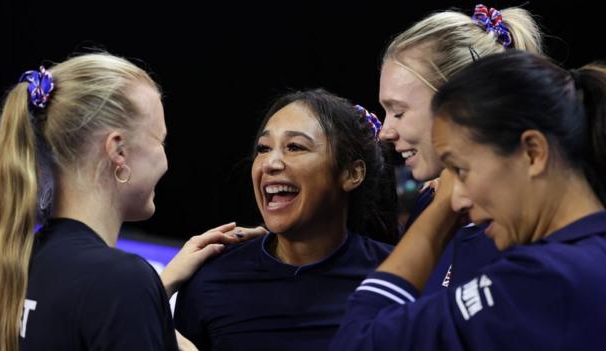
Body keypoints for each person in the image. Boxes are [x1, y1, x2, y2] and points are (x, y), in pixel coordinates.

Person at [0, 52, 264, 351]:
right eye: (160, 141)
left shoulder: (12, 265)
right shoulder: (121, 282)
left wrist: (154, 291)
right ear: (118, 151)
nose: (166, 162)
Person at [330, 49, 606, 350]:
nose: (456, 198)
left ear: (533, 153)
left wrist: (438, 215)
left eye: (460, 170)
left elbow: (358, 342)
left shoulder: (544, 279)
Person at [174, 88, 398, 351]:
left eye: (294, 147)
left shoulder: (398, 277)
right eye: (263, 148)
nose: (270, 163)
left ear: (352, 174)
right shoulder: (210, 279)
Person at [377, 4, 544, 292]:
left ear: (462, 104)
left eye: (399, 112)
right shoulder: (428, 204)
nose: (384, 133)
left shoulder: (532, 231)